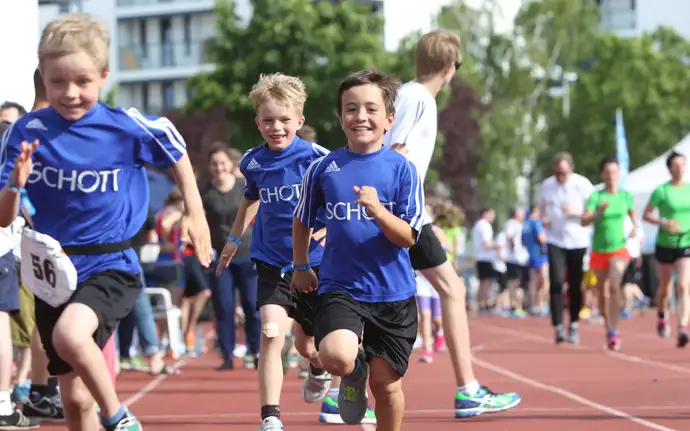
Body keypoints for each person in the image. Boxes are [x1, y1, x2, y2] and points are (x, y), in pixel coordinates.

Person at [0, 13, 212, 431]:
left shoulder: (124, 127)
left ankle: (119, 417)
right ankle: (103, 414)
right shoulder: (26, 132)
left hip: (110, 264)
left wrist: (195, 212)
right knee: (76, 402)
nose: (70, 93)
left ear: (104, 75)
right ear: (43, 76)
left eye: (82, 81)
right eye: (57, 82)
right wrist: (14, 186)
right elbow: (4, 217)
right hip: (52, 273)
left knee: (69, 337)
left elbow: (176, 150)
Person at [382, 29, 520, 416]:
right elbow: (396, 154)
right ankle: (468, 390)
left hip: (403, 213)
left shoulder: (409, 95)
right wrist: (411, 216)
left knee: (386, 299)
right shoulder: (419, 98)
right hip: (402, 216)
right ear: (449, 68)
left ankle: (341, 385)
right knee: (452, 291)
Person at [292, 68, 423, 431]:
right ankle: (351, 369)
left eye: (370, 109)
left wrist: (378, 210)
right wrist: (301, 265)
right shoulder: (323, 169)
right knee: (335, 357)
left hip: (393, 293)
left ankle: (364, 372)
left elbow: (409, 237)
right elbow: (301, 220)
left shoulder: (403, 170)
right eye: (351, 109)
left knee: (387, 386)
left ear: (388, 120)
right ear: (340, 117)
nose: (360, 117)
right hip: (340, 286)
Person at [215, 73, 334, 431]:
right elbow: (249, 200)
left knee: (309, 346)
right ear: (257, 122)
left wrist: (329, 231)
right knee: (270, 333)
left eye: (284, 120)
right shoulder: (252, 162)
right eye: (268, 120)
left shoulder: (318, 159)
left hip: (312, 264)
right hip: (269, 261)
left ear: (299, 120)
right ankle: (270, 416)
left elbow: (338, 202)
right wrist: (233, 241)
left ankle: (316, 366)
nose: (276, 128)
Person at [19, 68, 65, 422]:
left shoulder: (28, 126)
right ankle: (42, 390)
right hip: (37, 236)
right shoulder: (37, 131)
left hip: (35, 235)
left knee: (45, 316)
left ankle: (43, 389)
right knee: (46, 316)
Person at [202, 143, 259, 369]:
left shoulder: (244, 187)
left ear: (230, 164)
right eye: (214, 164)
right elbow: (201, 223)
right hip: (221, 258)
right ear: (210, 167)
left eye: (222, 163)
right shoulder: (205, 192)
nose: (219, 168)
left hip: (248, 254)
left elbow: (259, 215)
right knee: (224, 307)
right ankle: (227, 354)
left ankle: (255, 352)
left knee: (252, 307)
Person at [0, 120, 40, 429]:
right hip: (6, 252)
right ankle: (3, 401)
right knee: (4, 324)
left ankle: (18, 386)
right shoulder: (11, 173)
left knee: (22, 329)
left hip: (14, 254)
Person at [581, 156, 637, 351]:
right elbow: (584, 220)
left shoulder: (625, 196)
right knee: (602, 293)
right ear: (602, 175)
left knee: (614, 286)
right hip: (599, 250)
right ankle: (609, 329)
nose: (612, 176)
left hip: (619, 249)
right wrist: (597, 213)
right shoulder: (596, 197)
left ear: (619, 174)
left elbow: (632, 212)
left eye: (615, 172)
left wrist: (635, 228)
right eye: (608, 172)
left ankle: (614, 328)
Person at [539, 152, 594, 344]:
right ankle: (558, 325)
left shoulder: (583, 185)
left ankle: (573, 323)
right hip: (555, 239)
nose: (560, 177)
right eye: (557, 173)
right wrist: (543, 220)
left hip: (577, 240)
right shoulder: (547, 186)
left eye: (563, 173)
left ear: (570, 169)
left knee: (575, 282)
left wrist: (576, 212)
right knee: (555, 281)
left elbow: (592, 211)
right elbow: (541, 209)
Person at [643, 151, 690, 345]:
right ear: (669, 168)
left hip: (685, 241)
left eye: (683, 165)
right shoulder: (661, 191)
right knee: (665, 287)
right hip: (665, 243)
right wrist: (663, 222)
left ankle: (683, 328)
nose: (680, 168)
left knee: (684, 285)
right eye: (676, 165)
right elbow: (646, 215)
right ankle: (662, 315)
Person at [522, 207, 549, 316]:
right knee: (545, 280)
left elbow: (523, 241)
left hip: (531, 254)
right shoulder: (535, 223)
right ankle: (542, 304)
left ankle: (533, 305)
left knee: (533, 281)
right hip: (540, 255)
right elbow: (542, 239)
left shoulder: (525, 225)